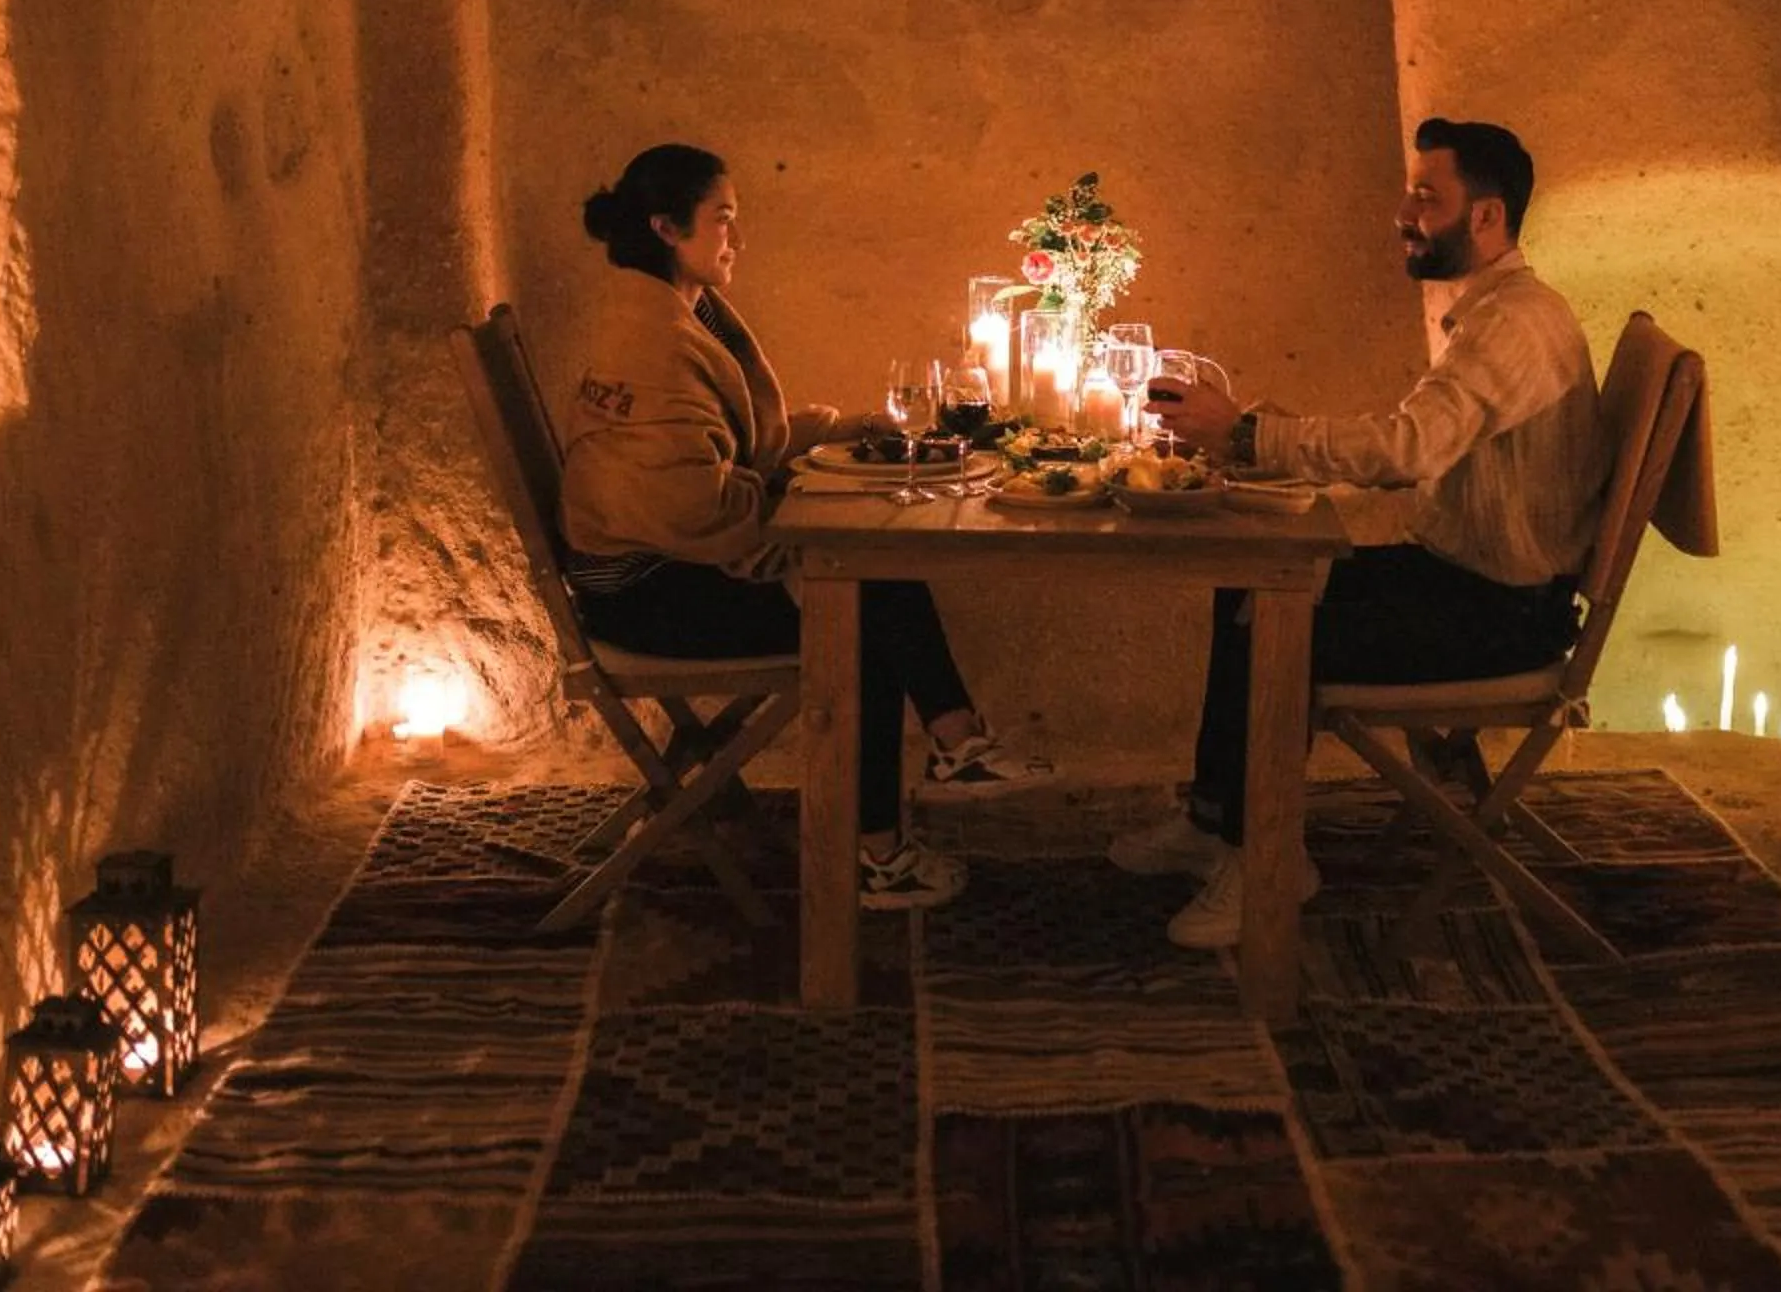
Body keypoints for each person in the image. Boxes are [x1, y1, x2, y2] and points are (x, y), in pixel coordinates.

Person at [1123, 117, 1610, 947]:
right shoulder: (1498, 312)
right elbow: (1408, 435)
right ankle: (1216, 821)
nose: (1404, 213)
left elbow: (1409, 449)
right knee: (1246, 583)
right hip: (1469, 580)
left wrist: (1247, 435)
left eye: (1428, 196)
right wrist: (1272, 438)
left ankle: (1267, 860)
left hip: (1501, 613)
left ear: (1486, 217)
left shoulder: (1515, 326)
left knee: (1273, 612)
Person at [556, 142, 1046, 910]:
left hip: (660, 567)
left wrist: (841, 434)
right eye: (722, 220)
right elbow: (690, 508)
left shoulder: (664, 307)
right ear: (664, 228)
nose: (736, 240)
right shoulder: (649, 340)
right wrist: (795, 518)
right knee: (857, 614)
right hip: (644, 593)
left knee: (875, 573)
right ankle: (885, 847)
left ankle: (956, 745)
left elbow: (731, 446)